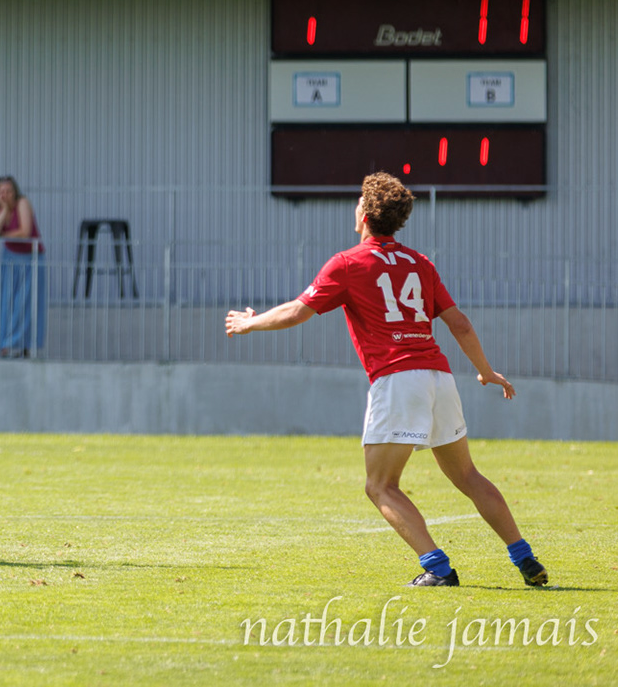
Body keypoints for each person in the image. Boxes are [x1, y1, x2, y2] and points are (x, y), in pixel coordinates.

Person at [225, 172, 549, 589]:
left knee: (379, 485)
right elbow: (461, 325)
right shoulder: (421, 263)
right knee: (468, 476)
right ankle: (524, 557)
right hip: (439, 376)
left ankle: (438, 568)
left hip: (398, 380)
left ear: (363, 213)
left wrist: (250, 324)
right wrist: (485, 371)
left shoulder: (346, 263)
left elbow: (297, 312)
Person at [0, 176, 43, 358]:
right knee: (7, 301)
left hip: (30, 257)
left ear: (15, 192)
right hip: (9, 257)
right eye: (0, 191)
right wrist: (3, 211)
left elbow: (25, 232)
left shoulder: (22, 203)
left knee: (24, 303)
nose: (4, 194)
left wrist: (3, 233)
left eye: (8, 191)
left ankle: (21, 344)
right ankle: (5, 344)